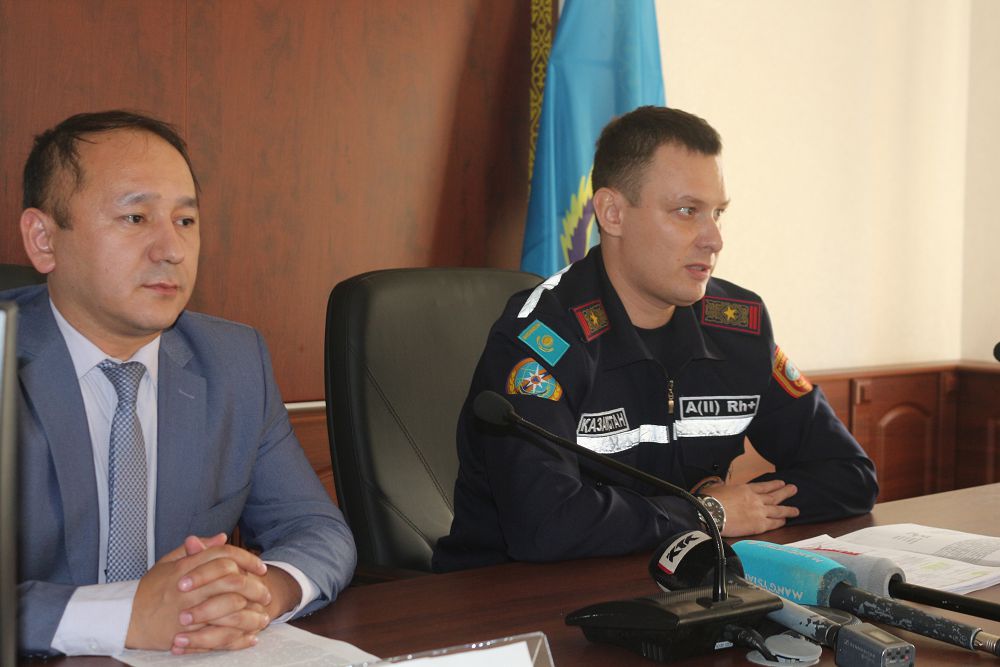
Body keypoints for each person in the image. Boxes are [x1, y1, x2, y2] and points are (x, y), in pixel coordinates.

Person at [433, 106, 878, 572]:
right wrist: (706, 512)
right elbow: (545, 524)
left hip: (672, 582)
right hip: (512, 599)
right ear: (612, 213)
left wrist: (724, 509)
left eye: (718, 213)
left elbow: (850, 476)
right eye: (687, 211)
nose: (714, 239)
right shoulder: (543, 338)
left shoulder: (739, 328)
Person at [5, 111, 356, 656]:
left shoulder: (232, 360)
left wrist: (256, 594)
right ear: (43, 239)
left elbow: (317, 529)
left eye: (186, 221)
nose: (171, 249)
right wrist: (126, 616)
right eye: (135, 218)